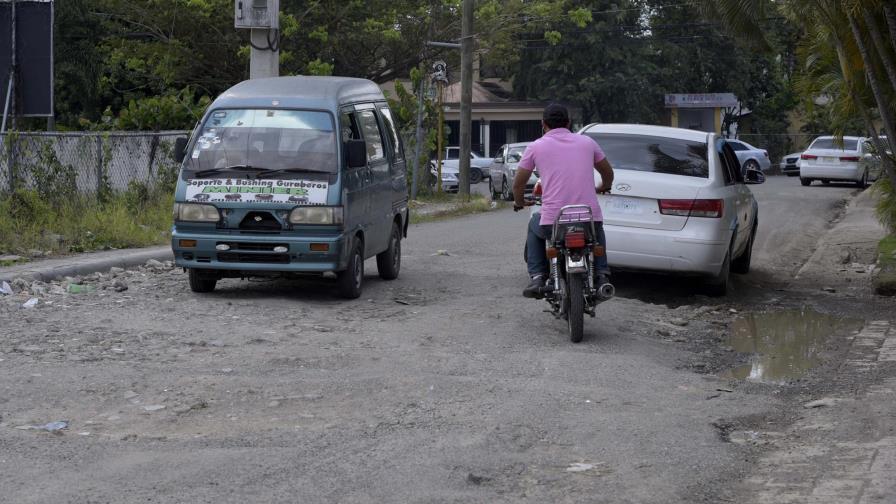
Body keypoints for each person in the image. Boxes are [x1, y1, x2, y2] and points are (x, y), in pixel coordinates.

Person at [512, 103, 614, 298]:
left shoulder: (536, 146)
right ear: (568, 123)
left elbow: (518, 185)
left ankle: (538, 277)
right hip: (588, 219)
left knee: (533, 224)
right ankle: (601, 274)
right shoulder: (587, 143)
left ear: (543, 124)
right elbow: (607, 172)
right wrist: (604, 187)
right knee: (596, 231)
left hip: (554, 223)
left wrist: (519, 202)